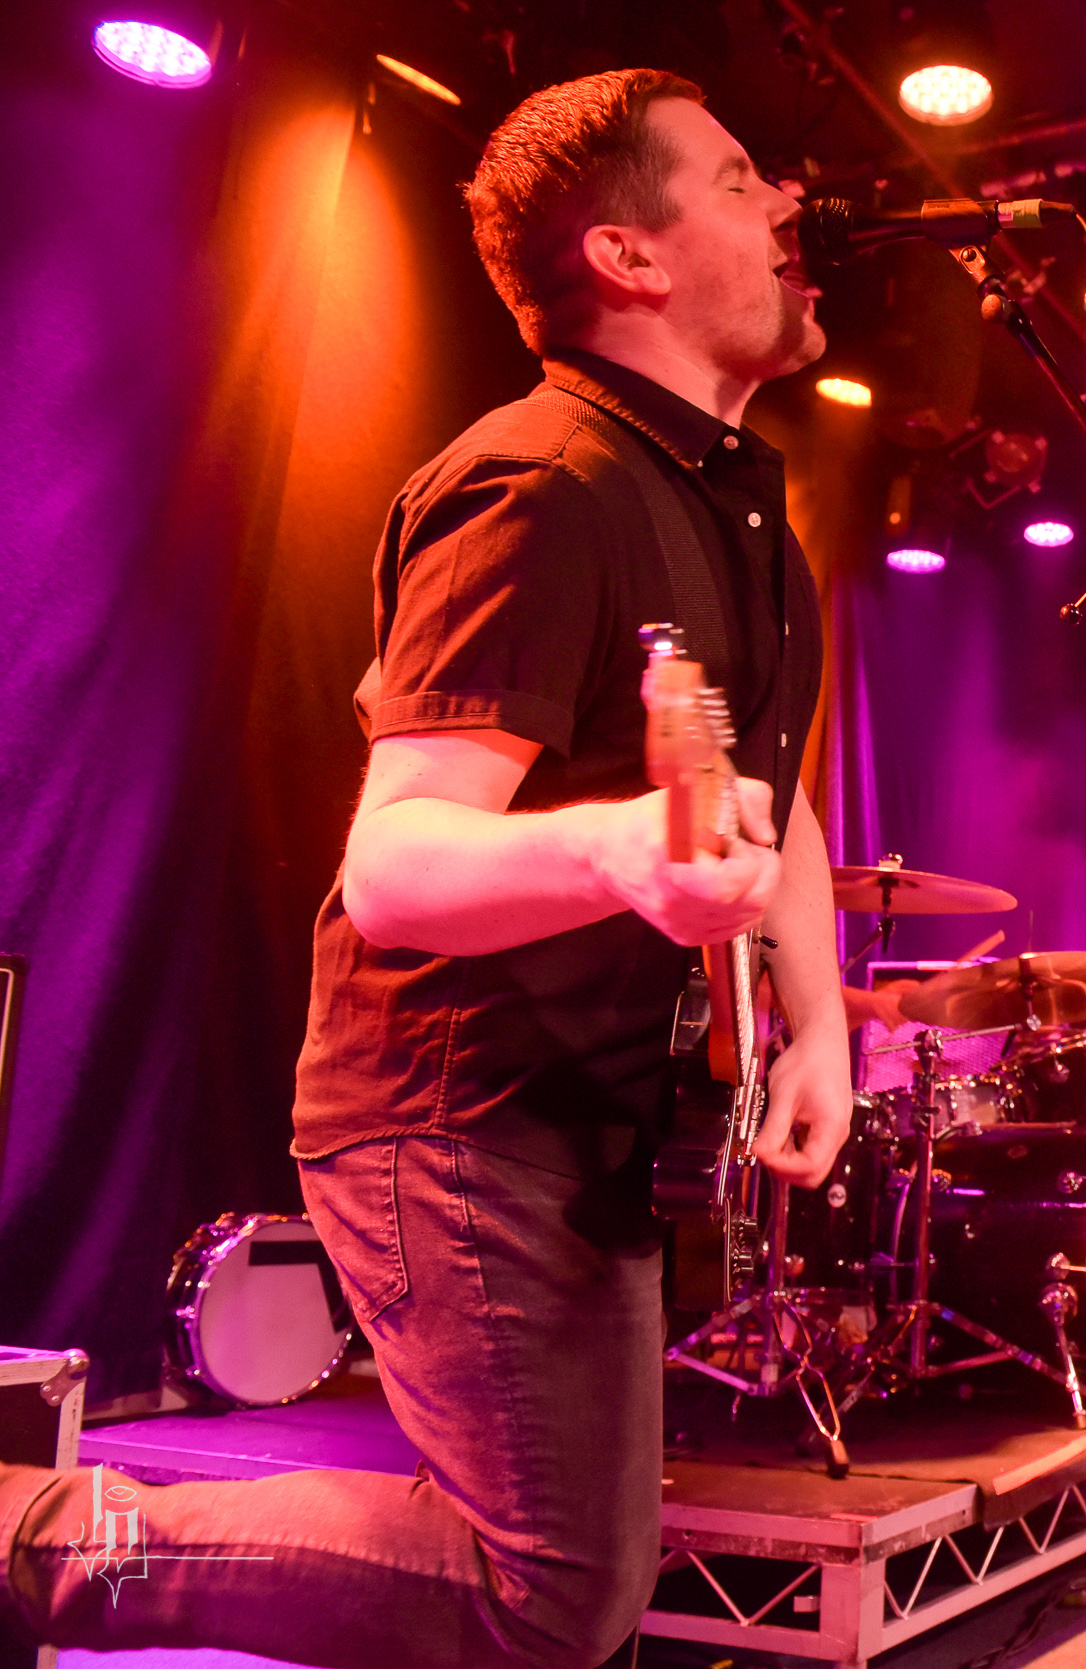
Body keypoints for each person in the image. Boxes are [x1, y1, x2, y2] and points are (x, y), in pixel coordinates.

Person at [1, 71, 849, 1669]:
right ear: (629, 256)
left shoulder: (742, 518)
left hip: (581, 1108)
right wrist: (619, 847)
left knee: (570, 1588)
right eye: (740, 181)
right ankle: (32, 1540)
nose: (791, 203)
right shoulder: (541, 485)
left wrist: (821, 1024)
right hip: (456, 1106)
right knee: (550, 1593)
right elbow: (395, 864)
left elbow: (771, 798)